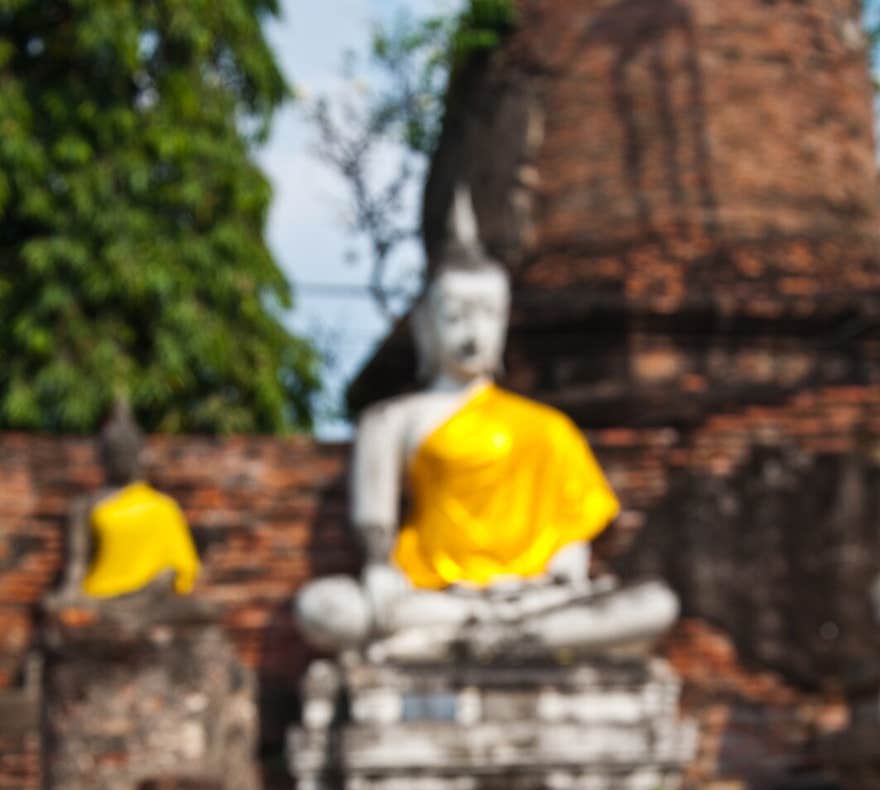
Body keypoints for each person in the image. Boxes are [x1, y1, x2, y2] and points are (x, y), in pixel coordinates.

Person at [295, 189, 677, 658]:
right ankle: (480, 640)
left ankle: (454, 646)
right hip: (434, 595)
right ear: (426, 326)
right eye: (455, 317)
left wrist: (561, 570)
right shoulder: (390, 420)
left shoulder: (546, 426)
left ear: (504, 322)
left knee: (656, 604)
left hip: (536, 599)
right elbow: (376, 538)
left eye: (487, 316)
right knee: (324, 608)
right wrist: (381, 574)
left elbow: (571, 544)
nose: (472, 333)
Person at [61, 399, 200, 600]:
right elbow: (75, 570)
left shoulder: (162, 507)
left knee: (200, 613)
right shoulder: (86, 506)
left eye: (126, 451)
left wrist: (155, 586)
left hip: (149, 601)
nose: (121, 459)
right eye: (114, 453)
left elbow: (179, 568)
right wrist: (70, 596)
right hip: (100, 597)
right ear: (104, 457)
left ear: (140, 454)